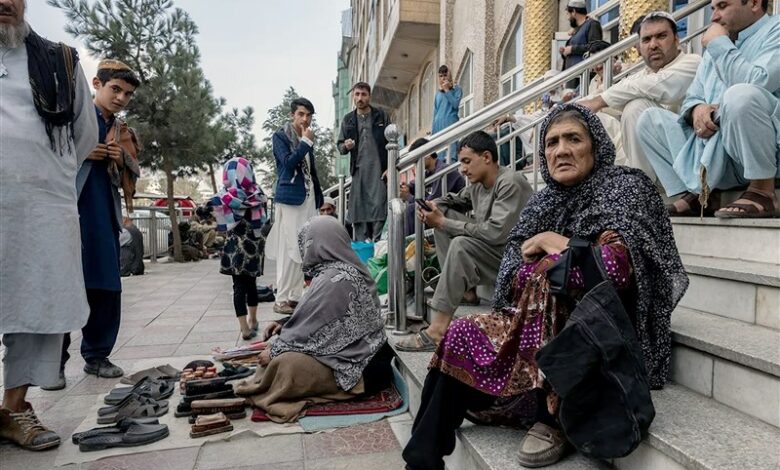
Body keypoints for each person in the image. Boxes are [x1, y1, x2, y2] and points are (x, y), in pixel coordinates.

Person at [402, 104, 689, 470]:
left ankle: (554, 417)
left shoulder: (625, 187)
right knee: (460, 332)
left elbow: (615, 270)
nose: (561, 150)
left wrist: (553, 242)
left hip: (599, 332)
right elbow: (511, 271)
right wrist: (546, 255)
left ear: (596, 145)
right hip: (531, 320)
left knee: (551, 275)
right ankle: (421, 459)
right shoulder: (544, 200)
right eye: (551, 142)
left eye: (574, 139)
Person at [0, 0, 98, 450]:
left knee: (36, 306)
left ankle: (14, 408)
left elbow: (83, 138)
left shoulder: (60, 59)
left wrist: (37, 175)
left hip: (40, 208)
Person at [235, 216, 394, 422]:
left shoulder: (337, 278)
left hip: (362, 369)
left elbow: (319, 327)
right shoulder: (335, 272)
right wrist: (284, 326)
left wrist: (276, 350)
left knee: (285, 365)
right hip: (355, 357)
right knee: (278, 361)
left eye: (308, 242)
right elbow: (319, 318)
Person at [44, 59, 143, 390]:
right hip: (69, 209)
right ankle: (52, 363)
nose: (121, 98)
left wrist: (119, 159)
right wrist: (84, 152)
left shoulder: (120, 130)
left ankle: (97, 355)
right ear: (97, 85)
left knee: (105, 283)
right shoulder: (67, 118)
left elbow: (132, 170)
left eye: (127, 94)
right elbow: (46, 153)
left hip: (103, 211)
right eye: (115, 89)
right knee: (64, 284)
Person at [639, 0, 779, 218]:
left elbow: (758, 82)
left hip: (763, 151)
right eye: (713, 8)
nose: (713, 17)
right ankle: (697, 194)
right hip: (718, 154)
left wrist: (720, 44)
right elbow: (693, 97)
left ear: (753, 3)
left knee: (740, 96)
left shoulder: (775, 30)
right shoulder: (720, 41)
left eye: (722, 6)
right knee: (648, 119)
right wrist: (697, 109)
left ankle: (762, 189)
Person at [396, 131, 533, 352]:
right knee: (444, 214)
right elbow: (458, 199)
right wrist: (434, 206)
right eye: (461, 163)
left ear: (486, 157)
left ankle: (437, 332)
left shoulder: (510, 182)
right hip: (495, 252)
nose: (462, 169)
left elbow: (496, 233)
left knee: (459, 242)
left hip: (515, 259)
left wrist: (442, 222)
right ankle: (467, 292)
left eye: (467, 162)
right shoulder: (478, 184)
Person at [578, 12, 702, 181]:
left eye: (661, 36)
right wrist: (575, 108)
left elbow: (654, 86)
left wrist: (599, 101)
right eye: (646, 40)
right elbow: (621, 92)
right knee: (597, 117)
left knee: (636, 107)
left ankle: (642, 185)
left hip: (691, 154)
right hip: (661, 159)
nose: (653, 45)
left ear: (676, 39)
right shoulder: (643, 74)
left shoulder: (692, 62)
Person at [267, 97, 324, 315]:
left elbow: (311, 172)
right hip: (290, 199)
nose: (305, 119)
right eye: (301, 114)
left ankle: (294, 296)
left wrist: (318, 197)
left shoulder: (306, 137)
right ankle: (281, 297)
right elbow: (288, 164)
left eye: (309, 115)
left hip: (308, 199)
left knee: (303, 248)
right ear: (293, 115)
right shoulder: (280, 136)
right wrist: (306, 144)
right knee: (288, 247)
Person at [211, 157, 269, 340]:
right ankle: (253, 319)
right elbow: (264, 221)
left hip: (234, 248)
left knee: (238, 287)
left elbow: (211, 216)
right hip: (253, 246)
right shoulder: (258, 194)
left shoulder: (223, 196)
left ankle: (244, 328)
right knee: (251, 284)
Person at [337, 82, 391, 242]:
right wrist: (345, 146)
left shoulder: (381, 116)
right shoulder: (348, 120)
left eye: (363, 94)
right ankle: (363, 256)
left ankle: (379, 252)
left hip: (379, 173)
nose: (360, 98)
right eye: (357, 94)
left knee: (379, 210)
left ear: (369, 96)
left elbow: (395, 142)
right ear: (353, 96)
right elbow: (340, 146)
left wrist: (391, 167)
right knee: (359, 212)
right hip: (359, 174)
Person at [399, 137, 466, 236]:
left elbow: (430, 204)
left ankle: (409, 246)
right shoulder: (430, 172)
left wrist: (408, 196)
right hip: (442, 211)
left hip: (452, 215)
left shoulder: (443, 171)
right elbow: (415, 184)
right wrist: (407, 187)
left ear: (427, 154)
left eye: (416, 160)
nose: (415, 164)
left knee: (411, 210)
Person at [560, 0, 603, 89]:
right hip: (573, 78)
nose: (568, 18)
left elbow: (596, 46)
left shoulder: (592, 24)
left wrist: (572, 49)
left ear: (574, 12)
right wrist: (565, 52)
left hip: (584, 78)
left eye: (568, 14)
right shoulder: (577, 30)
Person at [432, 65, 463, 162]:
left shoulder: (457, 89)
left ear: (449, 75)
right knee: (439, 158)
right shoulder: (438, 94)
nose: (443, 78)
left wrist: (447, 90)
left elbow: (455, 104)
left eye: (445, 75)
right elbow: (435, 114)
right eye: (441, 76)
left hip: (450, 125)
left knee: (451, 156)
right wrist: (433, 135)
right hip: (438, 128)